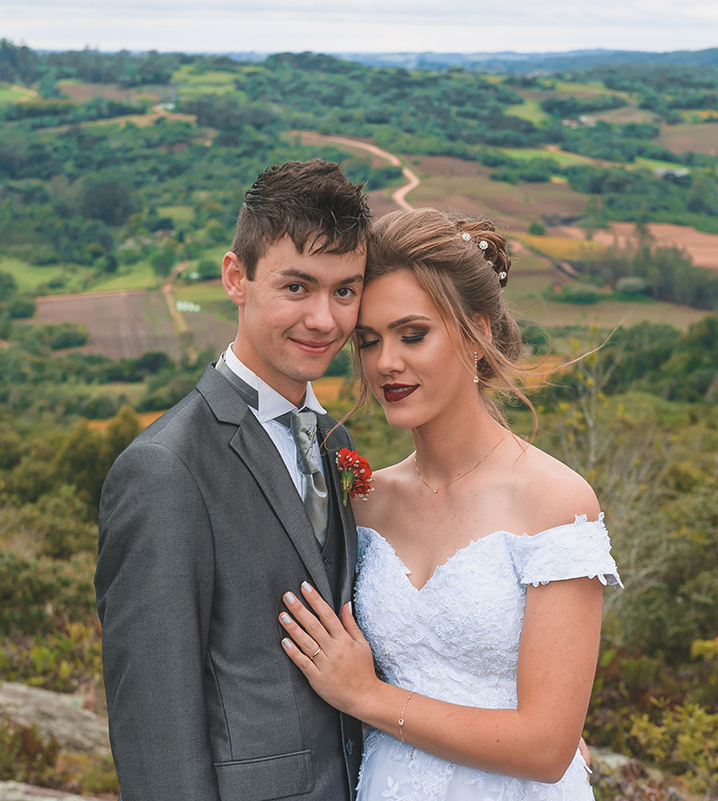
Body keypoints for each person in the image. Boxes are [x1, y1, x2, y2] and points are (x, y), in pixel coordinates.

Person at [277, 208, 622, 801]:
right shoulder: (363, 503)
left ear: (478, 332)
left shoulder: (553, 502)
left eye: (413, 334)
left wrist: (367, 696)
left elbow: (545, 749)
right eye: (369, 340)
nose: (387, 362)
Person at [95, 159, 374, 801]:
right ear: (235, 278)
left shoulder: (335, 440)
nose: (325, 320)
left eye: (344, 291)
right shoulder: (166, 468)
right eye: (296, 287)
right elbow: (153, 721)